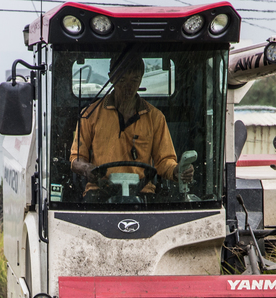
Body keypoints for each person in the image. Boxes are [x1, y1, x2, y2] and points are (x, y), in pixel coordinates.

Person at [70, 54, 194, 199]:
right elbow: (76, 158)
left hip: (142, 192)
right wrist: (86, 168)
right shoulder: (89, 115)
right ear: (111, 77)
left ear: (141, 78)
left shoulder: (155, 117)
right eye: (122, 80)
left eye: (134, 80)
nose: (128, 87)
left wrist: (177, 170)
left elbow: (164, 161)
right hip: (100, 190)